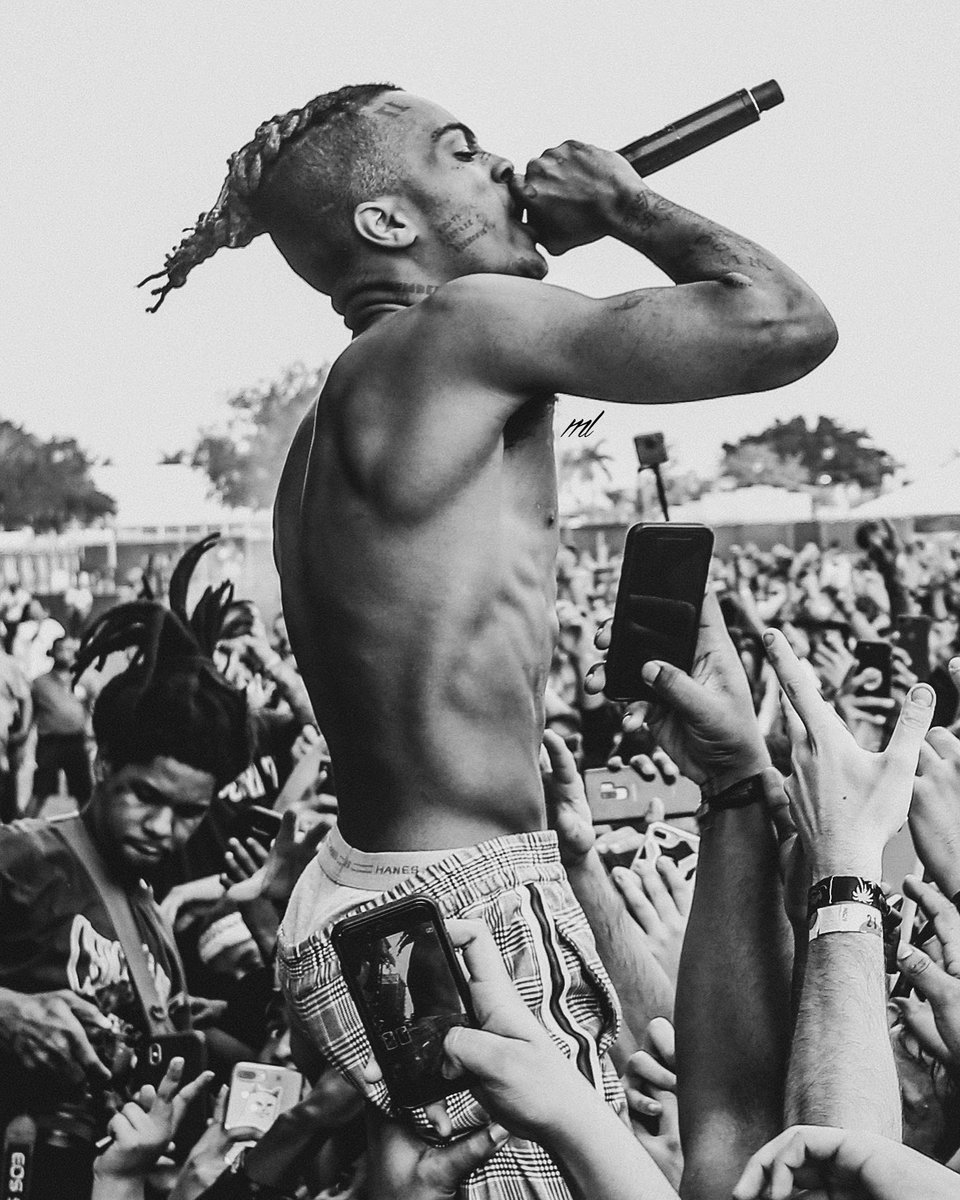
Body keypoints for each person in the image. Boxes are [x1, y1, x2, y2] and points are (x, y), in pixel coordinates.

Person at [145, 82, 837, 1195]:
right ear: (386, 221)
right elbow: (781, 323)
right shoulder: (460, 325)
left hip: (399, 887)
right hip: (462, 906)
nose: (510, 168)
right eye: (465, 153)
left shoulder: (336, 421)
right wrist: (623, 202)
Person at [0, 586, 251, 1193]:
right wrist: (8, 1013)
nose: (164, 828)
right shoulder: (24, 858)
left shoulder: (150, 916)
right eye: (145, 795)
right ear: (103, 764)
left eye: (189, 812)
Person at [29, 634, 93, 813]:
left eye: (70, 650)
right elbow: (30, 713)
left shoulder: (84, 679)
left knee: (84, 792)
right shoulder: (39, 683)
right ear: (52, 652)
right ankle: (25, 824)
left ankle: (88, 828)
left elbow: (91, 706)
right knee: (40, 790)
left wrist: (90, 734)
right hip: (50, 742)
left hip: (76, 741)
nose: (65, 653)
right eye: (61, 649)